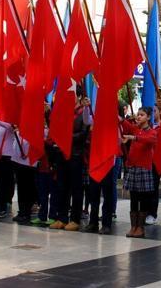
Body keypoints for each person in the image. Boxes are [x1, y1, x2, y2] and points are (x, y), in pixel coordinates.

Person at [52, 96, 91, 231]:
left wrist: (67, 137)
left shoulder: (83, 113)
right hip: (62, 153)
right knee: (62, 186)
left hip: (76, 154)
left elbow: (83, 134)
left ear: (78, 97)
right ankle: (61, 217)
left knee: (76, 188)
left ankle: (75, 219)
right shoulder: (63, 112)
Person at [120, 106, 158, 238]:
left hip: (143, 168)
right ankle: (133, 226)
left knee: (143, 198)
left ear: (148, 117)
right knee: (134, 198)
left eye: (142, 115)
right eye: (138, 114)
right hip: (133, 167)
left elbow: (150, 140)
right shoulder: (135, 129)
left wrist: (134, 138)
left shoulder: (152, 132)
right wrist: (120, 118)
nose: (138, 117)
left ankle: (140, 227)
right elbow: (122, 123)